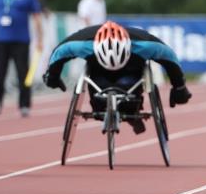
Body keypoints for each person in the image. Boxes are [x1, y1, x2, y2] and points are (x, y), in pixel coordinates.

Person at [42, 21, 192, 133]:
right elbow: (58, 53)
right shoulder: (82, 43)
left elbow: (171, 59)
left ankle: (132, 112)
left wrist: (179, 87)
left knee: (128, 87)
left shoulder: (145, 44)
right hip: (98, 74)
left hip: (131, 74)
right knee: (99, 91)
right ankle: (104, 108)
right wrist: (52, 77)